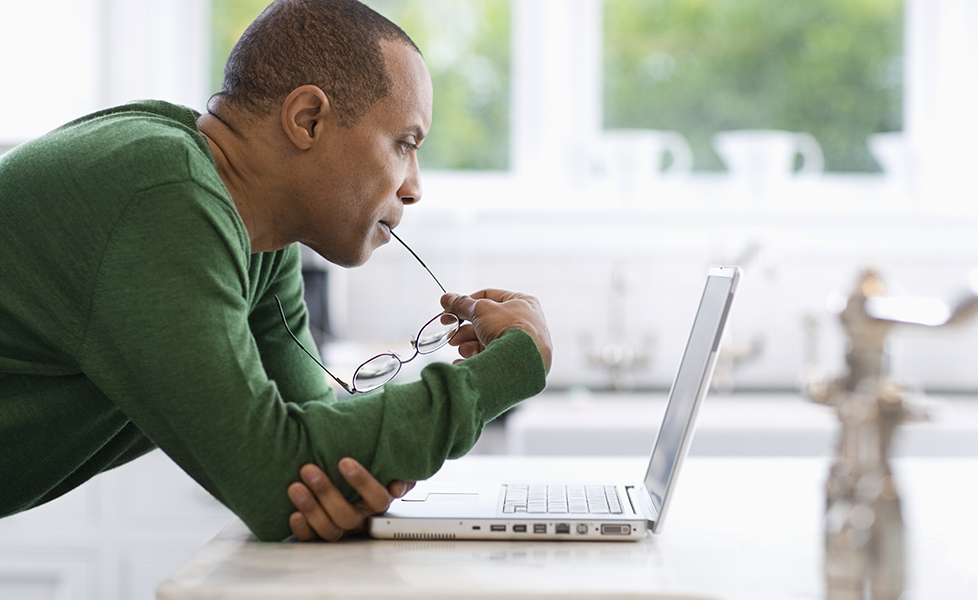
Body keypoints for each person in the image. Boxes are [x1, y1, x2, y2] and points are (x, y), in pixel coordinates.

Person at [0, 0, 552, 543]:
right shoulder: (163, 193)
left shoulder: (259, 234)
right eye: (404, 144)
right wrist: (508, 367)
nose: (413, 187)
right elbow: (276, 475)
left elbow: (310, 443)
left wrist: (351, 465)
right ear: (307, 119)